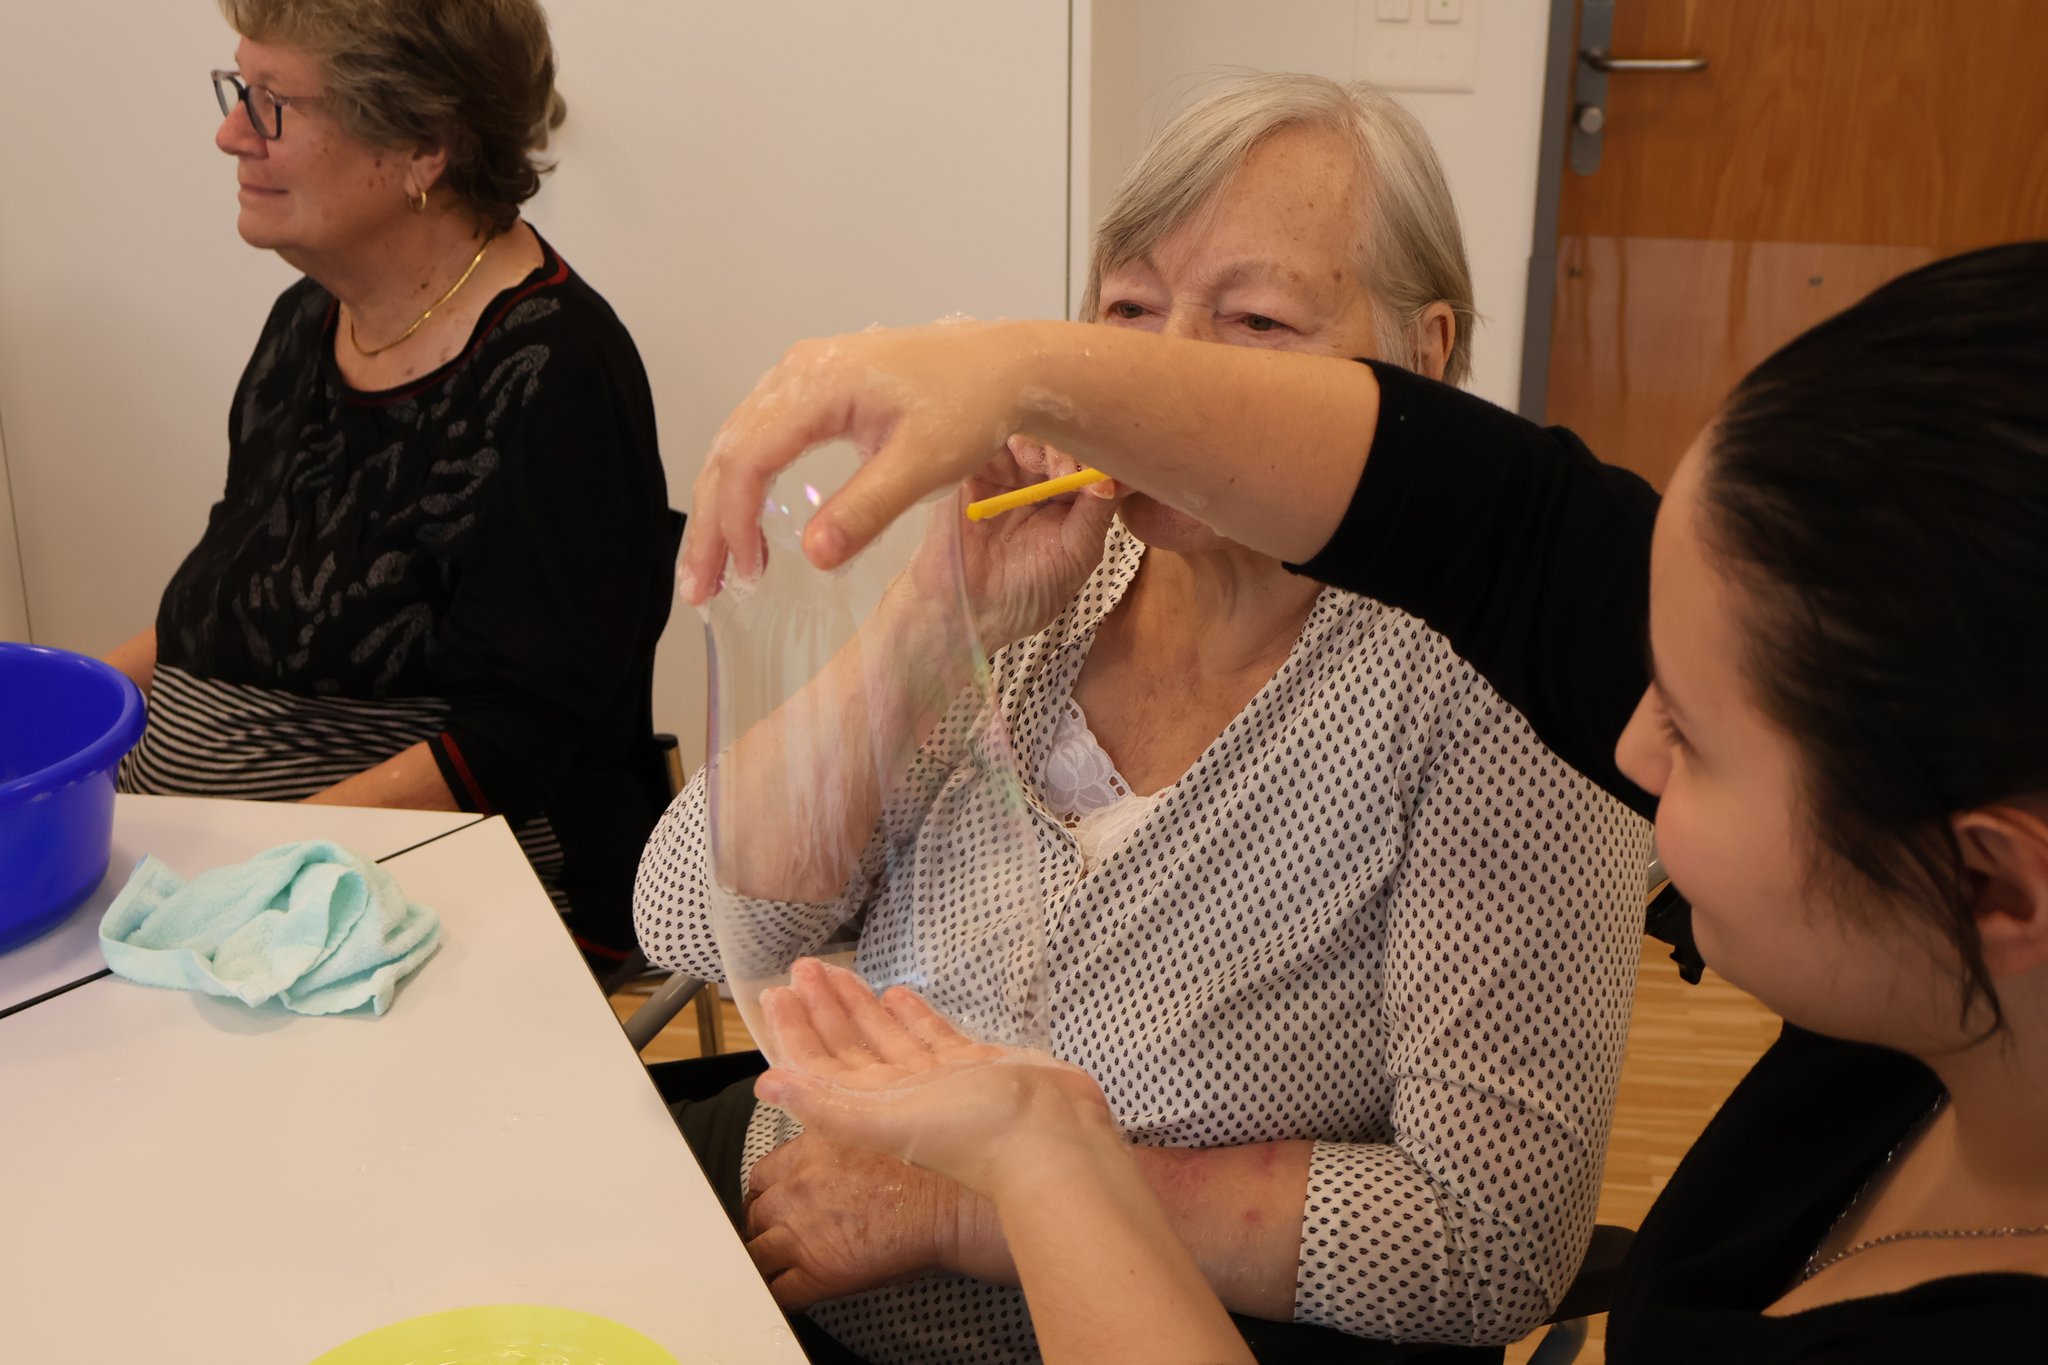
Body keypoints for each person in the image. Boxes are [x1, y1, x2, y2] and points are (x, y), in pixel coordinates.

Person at [682, 242, 2048, 1363]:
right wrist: (966, 514)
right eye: (1133, 313)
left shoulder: (1464, 707)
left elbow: (1482, 1240)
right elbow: (1504, 522)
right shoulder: (1932, 1031)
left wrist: (1024, 1179)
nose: (1627, 743)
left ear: (1992, 884)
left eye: (1689, 734)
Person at [637, 75, 1649, 1361]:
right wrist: (935, 622)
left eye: (1256, 320)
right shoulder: (1052, 573)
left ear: (1422, 355)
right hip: (778, 1215)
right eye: (1126, 310)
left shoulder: (1495, 685)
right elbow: (684, 918)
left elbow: (1483, 1242)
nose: (1158, 371)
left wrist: (967, 1207)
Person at [105, 0, 678, 969]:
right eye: (238, 88)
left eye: (272, 102)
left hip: (405, 895)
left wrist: (243, 871)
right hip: (216, 857)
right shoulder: (309, 320)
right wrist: (69, 716)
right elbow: (228, 600)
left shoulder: (555, 376)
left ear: (423, 146)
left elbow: (512, 745)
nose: (231, 133)